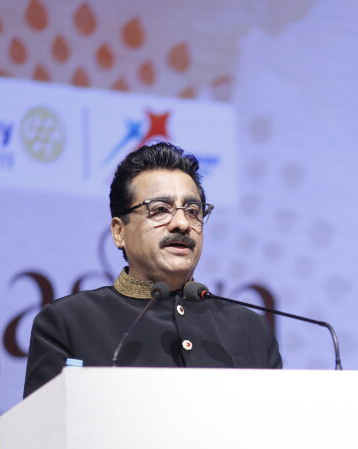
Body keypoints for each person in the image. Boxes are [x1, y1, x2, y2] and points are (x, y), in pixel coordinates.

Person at [23, 142, 281, 397]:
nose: (182, 224)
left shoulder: (250, 329)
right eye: (160, 210)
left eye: (193, 211)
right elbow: (44, 422)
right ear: (119, 232)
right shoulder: (69, 323)